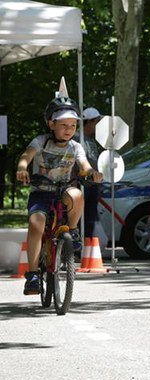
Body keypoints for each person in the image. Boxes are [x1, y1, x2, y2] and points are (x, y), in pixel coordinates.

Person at [15, 97, 103, 295]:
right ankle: (33, 275)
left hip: (63, 192)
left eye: (73, 125)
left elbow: (84, 166)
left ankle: (72, 230)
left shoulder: (76, 147)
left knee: (77, 194)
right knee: (36, 223)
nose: (68, 129)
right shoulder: (40, 142)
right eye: (63, 125)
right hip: (41, 192)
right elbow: (26, 156)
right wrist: (22, 168)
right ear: (51, 124)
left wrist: (92, 173)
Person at [75, 107, 103, 239]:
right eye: (97, 122)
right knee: (78, 218)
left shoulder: (91, 140)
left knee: (90, 219)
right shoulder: (76, 138)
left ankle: (87, 245)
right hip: (80, 185)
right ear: (89, 122)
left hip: (93, 184)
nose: (98, 126)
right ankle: (76, 245)